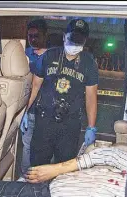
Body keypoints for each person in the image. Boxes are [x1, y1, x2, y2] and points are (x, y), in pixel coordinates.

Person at [27, 19, 99, 167]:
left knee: (63, 169)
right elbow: (35, 86)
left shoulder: (89, 62)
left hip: (70, 125)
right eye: (73, 38)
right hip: (44, 120)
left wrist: (91, 126)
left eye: (80, 40)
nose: (75, 44)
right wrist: (25, 112)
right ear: (64, 36)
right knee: (37, 167)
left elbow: (91, 97)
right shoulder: (48, 56)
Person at [20, 19, 49, 178]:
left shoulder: (52, 56)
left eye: (36, 36)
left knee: (44, 148)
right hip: (29, 110)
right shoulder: (24, 55)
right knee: (27, 147)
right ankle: (26, 178)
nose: (32, 39)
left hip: (47, 111)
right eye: (30, 36)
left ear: (45, 35)